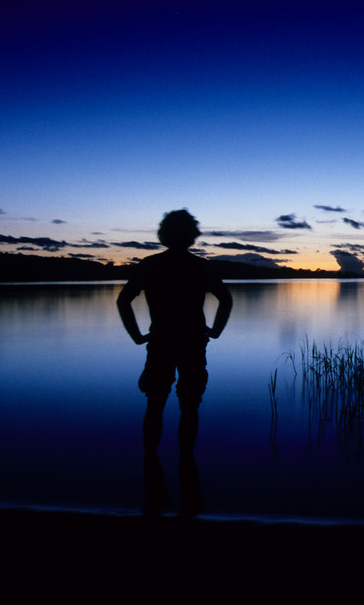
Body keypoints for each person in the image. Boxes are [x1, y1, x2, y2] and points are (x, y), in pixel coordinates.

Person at [117, 209, 232, 516]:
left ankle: (152, 462)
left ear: (164, 234)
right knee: (189, 403)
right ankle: (185, 459)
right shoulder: (199, 267)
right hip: (191, 341)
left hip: (162, 341)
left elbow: (123, 300)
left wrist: (137, 336)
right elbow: (226, 298)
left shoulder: (151, 265)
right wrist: (216, 331)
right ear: (191, 235)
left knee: (155, 402)